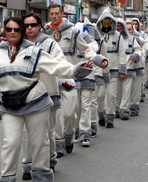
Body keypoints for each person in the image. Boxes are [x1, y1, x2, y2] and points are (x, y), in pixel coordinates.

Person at [0, 16, 95, 182]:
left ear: (22, 32)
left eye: (17, 29)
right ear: (5, 31)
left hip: (36, 102)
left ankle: (42, 176)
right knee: (11, 142)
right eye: (9, 29)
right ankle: (6, 181)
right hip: (10, 106)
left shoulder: (34, 52)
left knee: (39, 141)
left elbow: (57, 66)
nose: (13, 32)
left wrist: (77, 69)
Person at [45, 3, 108, 148]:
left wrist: (98, 59)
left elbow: (87, 50)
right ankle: (58, 144)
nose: (54, 16)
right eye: (52, 14)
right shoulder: (45, 33)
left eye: (56, 13)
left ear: (62, 14)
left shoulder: (73, 32)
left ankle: (68, 135)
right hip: (51, 79)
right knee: (55, 114)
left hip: (69, 78)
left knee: (69, 114)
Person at [21, 12, 71, 180]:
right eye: (26, 25)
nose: (29, 28)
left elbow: (60, 63)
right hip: (25, 94)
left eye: (32, 25)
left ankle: (48, 160)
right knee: (28, 132)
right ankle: (28, 165)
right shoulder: (19, 44)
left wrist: (64, 80)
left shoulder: (49, 44)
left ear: (39, 26)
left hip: (48, 92)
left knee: (47, 132)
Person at [96, 10, 126, 128]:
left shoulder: (118, 35)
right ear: (101, 22)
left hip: (113, 70)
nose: (106, 23)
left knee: (111, 95)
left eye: (109, 21)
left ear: (112, 22)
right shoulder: (97, 35)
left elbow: (122, 53)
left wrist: (122, 70)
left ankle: (110, 117)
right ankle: (100, 114)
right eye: (104, 21)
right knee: (100, 95)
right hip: (100, 70)